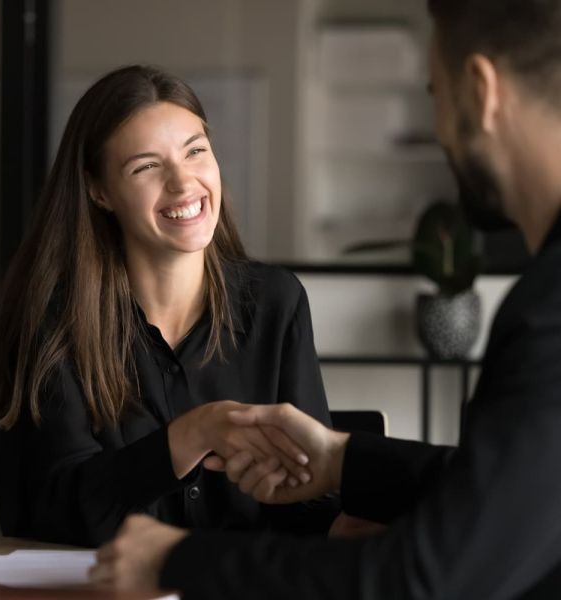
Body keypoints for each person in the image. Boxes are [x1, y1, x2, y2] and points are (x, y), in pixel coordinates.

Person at [91, 1, 561, 598]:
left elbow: (423, 578)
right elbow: (507, 490)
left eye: (435, 96)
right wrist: (341, 459)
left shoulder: (548, 313)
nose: (441, 129)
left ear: (481, 90)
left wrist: (179, 561)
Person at [0, 65, 339, 547]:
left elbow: (310, 502)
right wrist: (191, 434)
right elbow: (55, 514)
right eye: (146, 166)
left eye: (196, 151)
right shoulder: (55, 318)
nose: (183, 183)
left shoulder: (276, 303)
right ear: (99, 191)